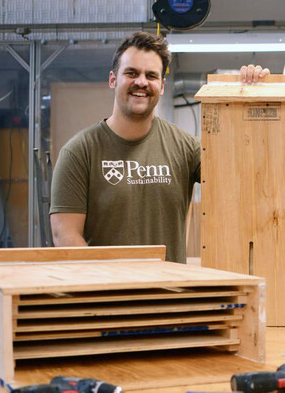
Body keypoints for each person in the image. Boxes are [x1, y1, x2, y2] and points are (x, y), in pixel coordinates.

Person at [50, 32, 269, 263]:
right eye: (131, 73)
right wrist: (107, 288)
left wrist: (252, 95)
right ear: (113, 79)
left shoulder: (186, 148)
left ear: (162, 86)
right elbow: (65, 235)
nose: (141, 82)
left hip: (170, 296)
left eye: (151, 75)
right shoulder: (79, 152)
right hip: (110, 295)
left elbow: (246, 176)